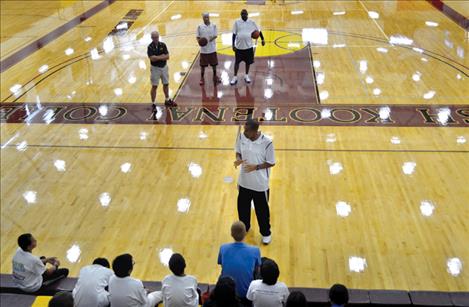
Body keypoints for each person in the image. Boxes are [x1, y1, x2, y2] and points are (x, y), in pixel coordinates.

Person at [234, 119, 275, 244]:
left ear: (255, 131)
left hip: (260, 185)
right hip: (244, 182)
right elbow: (238, 151)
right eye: (244, 129)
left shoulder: (267, 143)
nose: (244, 132)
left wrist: (255, 167)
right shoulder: (242, 137)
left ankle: (266, 233)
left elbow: (271, 162)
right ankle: (245, 227)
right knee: (242, 209)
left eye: (247, 130)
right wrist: (238, 159)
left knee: (262, 212)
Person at [218, 221, 261, 305]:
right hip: (246, 295)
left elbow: (222, 265)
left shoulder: (223, 248)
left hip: (227, 293)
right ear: (245, 233)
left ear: (231, 234)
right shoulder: (255, 250)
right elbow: (257, 269)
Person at [230, 9, 265, 85]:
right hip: (239, 47)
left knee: (248, 62)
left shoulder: (251, 22)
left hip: (248, 47)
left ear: (247, 14)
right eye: (242, 14)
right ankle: (235, 77)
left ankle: (246, 75)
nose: (244, 15)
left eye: (245, 14)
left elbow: (258, 31)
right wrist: (233, 45)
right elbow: (234, 34)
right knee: (237, 63)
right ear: (240, 14)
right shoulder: (237, 22)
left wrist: (262, 39)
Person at [147, 31, 176, 107]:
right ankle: (153, 103)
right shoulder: (150, 47)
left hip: (164, 67)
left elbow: (167, 57)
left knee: (166, 84)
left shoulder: (163, 45)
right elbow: (152, 59)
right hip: (155, 69)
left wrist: (157, 57)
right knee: (154, 86)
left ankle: (167, 99)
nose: (156, 39)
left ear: (158, 37)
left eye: (157, 37)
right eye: (154, 37)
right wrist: (162, 56)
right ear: (151, 38)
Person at [197, 13, 220, 85]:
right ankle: (202, 78)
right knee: (202, 66)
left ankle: (215, 76)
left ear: (209, 17)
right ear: (203, 18)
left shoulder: (214, 25)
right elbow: (197, 37)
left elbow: (216, 35)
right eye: (204, 17)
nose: (206, 18)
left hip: (212, 49)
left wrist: (210, 39)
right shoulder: (200, 27)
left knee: (214, 64)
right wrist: (200, 42)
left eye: (207, 17)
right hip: (203, 50)